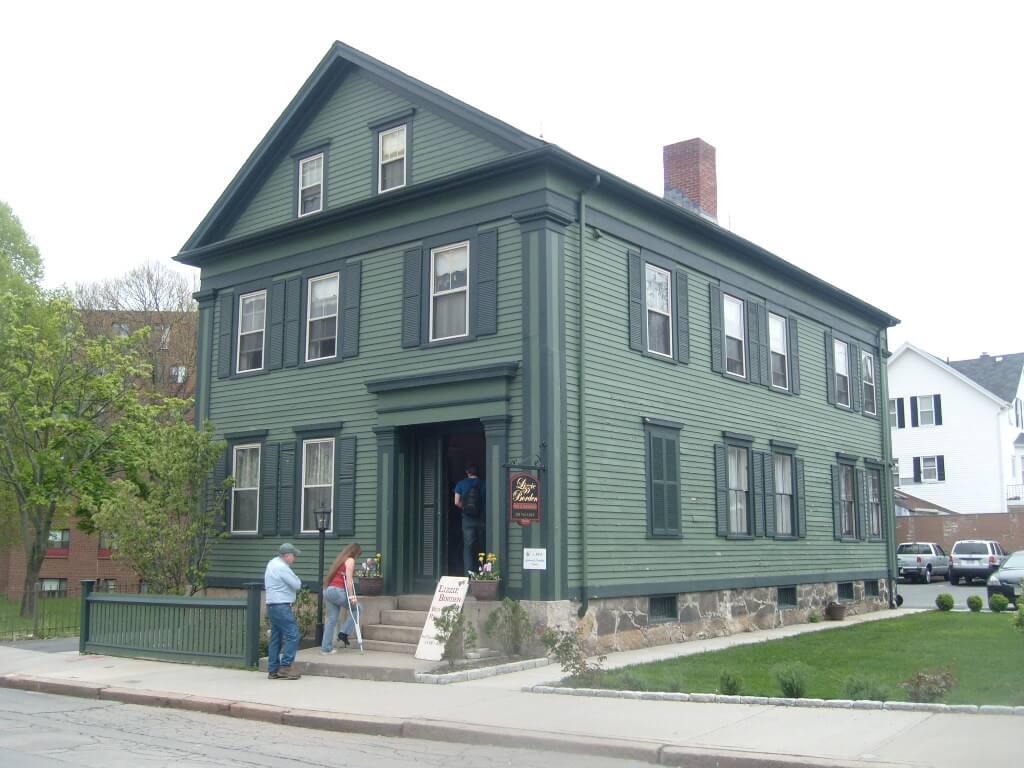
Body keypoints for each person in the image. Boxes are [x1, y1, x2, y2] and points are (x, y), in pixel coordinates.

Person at [264, 542, 303, 680]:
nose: (294, 558)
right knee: (293, 635)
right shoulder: (282, 567)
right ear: (287, 555)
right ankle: (285, 667)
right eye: (293, 555)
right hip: (282, 606)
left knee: (276, 637)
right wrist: (296, 578)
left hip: (272, 605)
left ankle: (273, 669)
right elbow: (297, 584)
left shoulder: (271, 564)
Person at [322, 542, 362, 652]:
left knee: (332, 620)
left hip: (328, 590)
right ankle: (344, 633)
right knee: (358, 608)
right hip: (337, 591)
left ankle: (326, 648)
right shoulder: (350, 560)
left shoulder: (341, 560)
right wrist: (351, 596)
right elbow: (349, 580)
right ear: (355, 553)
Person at [454, 464, 485, 576]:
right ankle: (483, 573)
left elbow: (456, 502)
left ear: (467, 472)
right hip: (482, 519)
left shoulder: (461, 484)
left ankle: (468, 575)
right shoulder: (484, 483)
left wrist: (466, 508)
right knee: (482, 545)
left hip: (467, 520)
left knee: (468, 547)